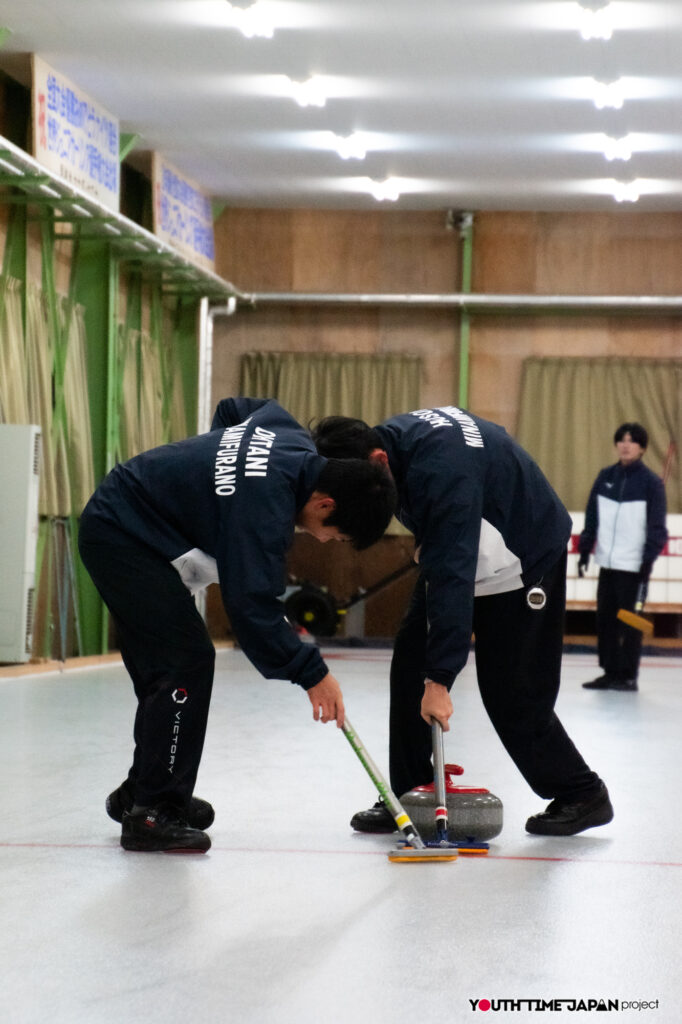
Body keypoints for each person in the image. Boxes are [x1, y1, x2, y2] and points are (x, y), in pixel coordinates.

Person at [78, 397, 396, 853]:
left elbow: (234, 409)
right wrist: (313, 674)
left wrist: (218, 487)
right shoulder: (263, 512)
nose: (325, 541)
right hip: (122, 535)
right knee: (184, 661)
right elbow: (253, 611)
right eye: (336, 535)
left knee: (165, 666)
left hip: (127, 515)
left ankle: (145, 792)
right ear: (325, 504)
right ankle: (151, 814)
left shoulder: (286, 432)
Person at [312, 406, 613, 837]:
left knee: (511, 691)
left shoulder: (442, 472)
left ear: (377, 461)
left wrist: (440, 682)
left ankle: (581, 793)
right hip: (464, 542)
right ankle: (413, 793)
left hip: (524, 557)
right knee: (410, 663)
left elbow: (453, 574)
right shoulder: (394, 447)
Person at [578, 422, 668, 692]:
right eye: (622, 440)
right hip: (607, 563)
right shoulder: (605, 477)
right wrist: (585, 550)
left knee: (629, 623)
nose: (626, 445)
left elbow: (657, 528)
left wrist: (647, 561)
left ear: (642, 448)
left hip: (634, 567)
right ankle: (609, 672)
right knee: (605, 620)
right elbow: (592, 517)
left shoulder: (651, 484)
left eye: (632, 441)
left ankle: (628, 675)